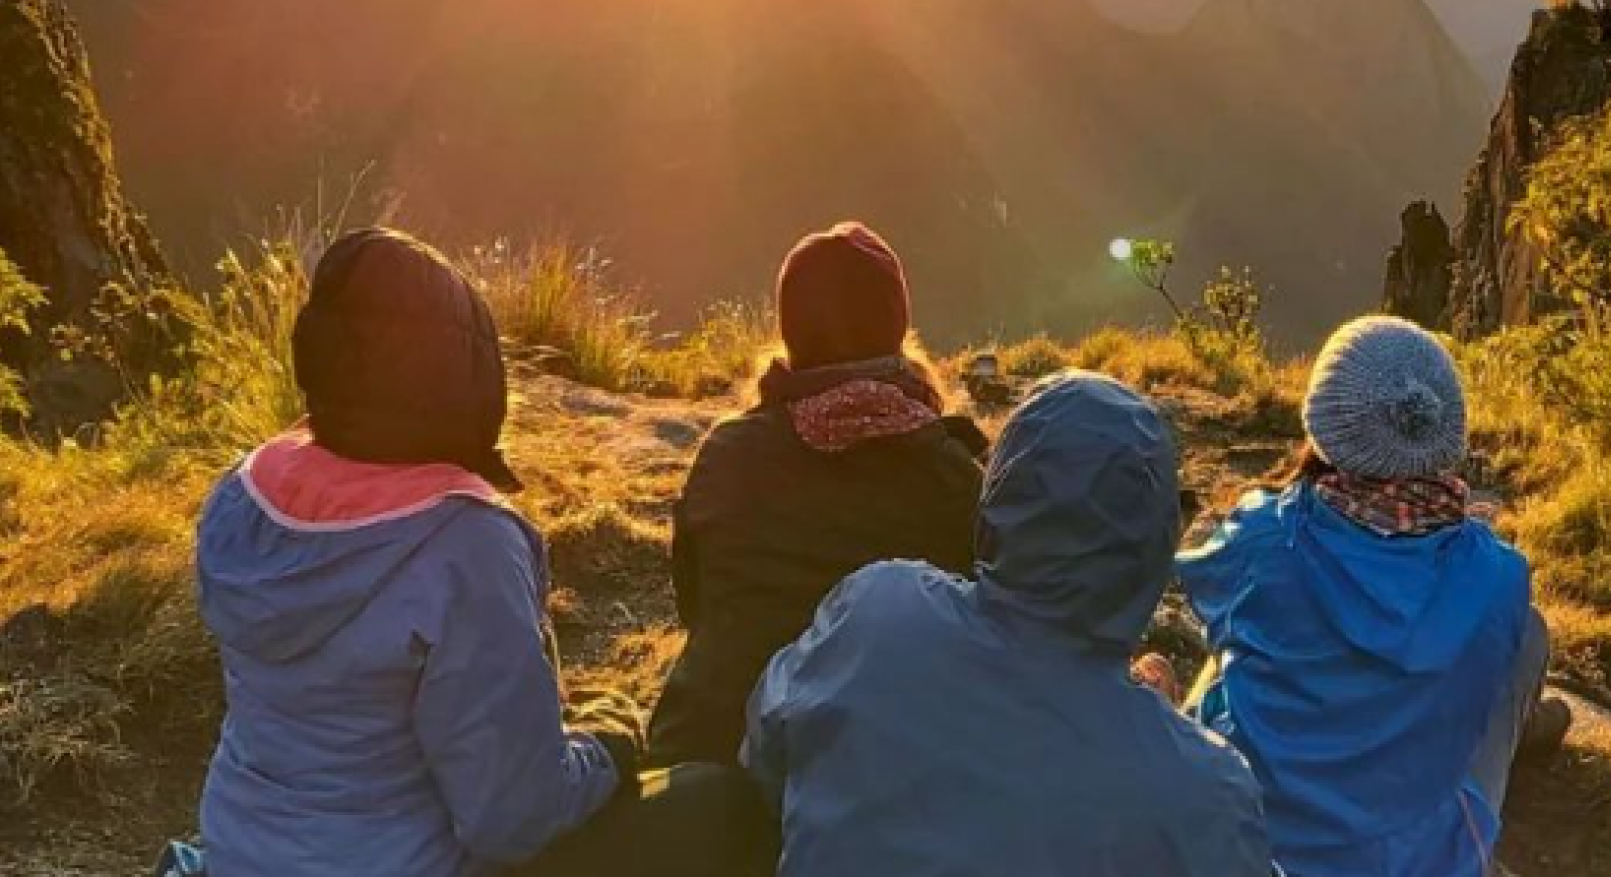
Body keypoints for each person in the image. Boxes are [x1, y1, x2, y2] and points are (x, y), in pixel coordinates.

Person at [193, 228, 763, 877]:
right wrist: (609, 739)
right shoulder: (468, 545)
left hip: (241, 854)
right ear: (465, 380)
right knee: (713, 800)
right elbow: (512, 821)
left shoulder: (244, 497)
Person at [742, 371, 1275, 877]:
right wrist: (1151, 729)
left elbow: (764, 751)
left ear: (998, 495)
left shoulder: (876, 613)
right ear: (1157, 544)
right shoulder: (1206, 795)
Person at [1178, 315, 1545, 877]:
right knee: (1529, 635)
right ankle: (1521, 724)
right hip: (1422, 860)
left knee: (1236, 636)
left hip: (1256, 843)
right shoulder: (1498, 577)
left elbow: (1198, 583)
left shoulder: (1260, 539)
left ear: (1324, 424)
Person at [648, 222, 986, 767]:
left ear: (790, 330)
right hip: (884, 774)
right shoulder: (953, 472)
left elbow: (696, 604)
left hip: (709, 752)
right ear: (896, 328)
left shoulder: (729, 454)